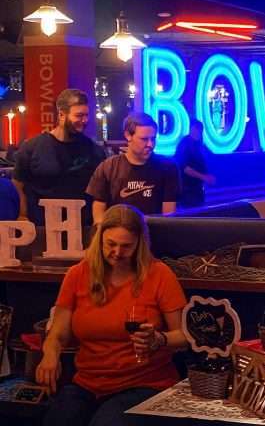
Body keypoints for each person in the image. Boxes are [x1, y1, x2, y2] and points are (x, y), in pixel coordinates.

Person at [36, 204, 188, 426]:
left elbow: (184, 337)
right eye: (111, 244)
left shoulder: (159, 274)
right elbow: (58, 332)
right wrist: (50, 354)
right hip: (88, 382)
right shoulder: (78, 274)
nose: (117, 252)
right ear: (99, 240)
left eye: (126, 246)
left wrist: (159, 339)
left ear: (140, 244)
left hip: (144, 383)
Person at [12, 89, 104, 226]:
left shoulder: (94, 150)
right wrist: (22, 215)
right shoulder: (32, 148)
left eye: (86, 115)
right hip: (42, 229)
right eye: (79, 116)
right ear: (61, 115)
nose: (84, 121)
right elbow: (18, 185)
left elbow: (101, 192)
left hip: (82, 228)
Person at [87, 112, 178, 224]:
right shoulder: (108, 167)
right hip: (118, 237)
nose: (150, 144)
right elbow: (99, 210)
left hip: (154, 236)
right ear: (128, 135)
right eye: (144, 139)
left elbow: (168, 216)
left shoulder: (167, 167)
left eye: (153, 139)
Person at [174, 120, 216, 208]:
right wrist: (204, 177)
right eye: (197, 130)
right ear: (192, 129)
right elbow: (185, 168)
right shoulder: (185, 144)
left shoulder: (198, 144)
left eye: (200, 130)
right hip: (188, 190)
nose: (199, 133)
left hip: (196, 189)